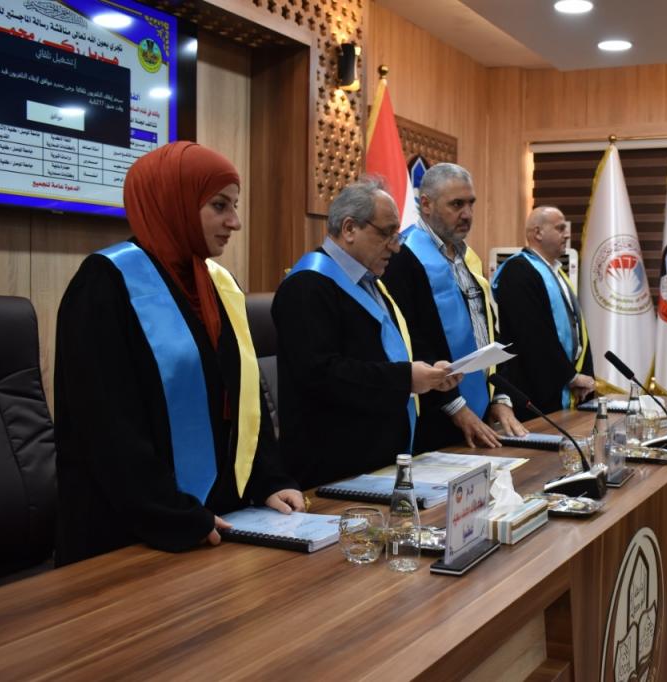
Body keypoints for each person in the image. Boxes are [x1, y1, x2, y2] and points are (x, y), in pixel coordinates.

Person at [54, 142, 303, 566]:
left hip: (215, 524)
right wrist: (174, 514)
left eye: (235, 206)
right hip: (131, 537)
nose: (235, 221)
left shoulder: (217, 285)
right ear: (173, 203)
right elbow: (106, 428)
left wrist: (269, 479)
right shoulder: (104, 285)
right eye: (219, 206)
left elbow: (245, 397)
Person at [272, 180, 459, 489]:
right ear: (349, 229)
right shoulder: (306, 286)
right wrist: (406, 378)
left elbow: (385, 354)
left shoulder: (372, 282)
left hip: (380, 464)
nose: (396, 247)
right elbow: (321, 374)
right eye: (387, 234)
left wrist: (429, 375)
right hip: (332, 474)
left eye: (397, 235)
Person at [382, 163, 527, 451]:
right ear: (426, 204)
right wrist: (455, 406)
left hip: (480, 413)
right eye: (457, 204)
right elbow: (409, 340)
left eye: (471, 203)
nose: (468, 214)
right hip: (434, 416)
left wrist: (500, 396)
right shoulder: (402, 257)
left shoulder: (466, 256)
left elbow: (486, 331)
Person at [492, 206, 595, 420]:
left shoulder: (557, 273)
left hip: (565, 388)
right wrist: (570, 377)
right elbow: (532, 334)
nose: (567, 234)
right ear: (538, 232)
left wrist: (582, 375)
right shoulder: (518, 271)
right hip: (535, 391)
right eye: (560, 228)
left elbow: (577, 330)